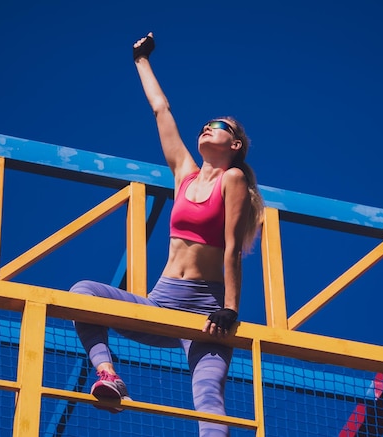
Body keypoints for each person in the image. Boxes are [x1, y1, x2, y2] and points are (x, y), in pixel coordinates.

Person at [69, 32, 264, 437]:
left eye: (218, 126)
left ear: (236, 143)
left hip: (206, 309)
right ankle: (108, 374)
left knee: (209, 396)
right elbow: (162, 111)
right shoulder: (184, 175)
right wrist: (140, 60)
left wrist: (229, 309)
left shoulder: (233, 180)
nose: (207, 128)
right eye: (205, 125)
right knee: (82, 293)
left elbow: (231, 249)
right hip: (162, 301)